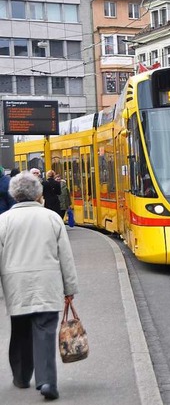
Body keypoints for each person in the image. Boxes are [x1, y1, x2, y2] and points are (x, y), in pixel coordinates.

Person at [0, 171, 78, 400]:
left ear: (14, 195)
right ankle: (46, 382)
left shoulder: (3, 221)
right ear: (38, 194)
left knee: (21, 329)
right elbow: (65, 256)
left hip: (17, 285)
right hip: (48, 283)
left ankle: (22, 377)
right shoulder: (52, 218)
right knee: (44, 331)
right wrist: (70, 288)